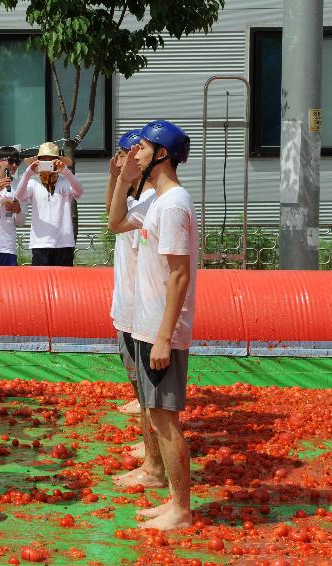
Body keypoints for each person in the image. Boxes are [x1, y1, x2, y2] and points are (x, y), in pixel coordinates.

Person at [110, 120, 196, 530]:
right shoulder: (155, 203)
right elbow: (114, 223)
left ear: (161, 154)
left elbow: (180, 275)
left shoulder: (175, 203)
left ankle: (181, 507)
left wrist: (164, 337)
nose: (135, 153)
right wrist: (123, 178)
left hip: (160, 331)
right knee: (156, 413)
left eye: (142, 148)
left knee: (165, 417)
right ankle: (173, 501)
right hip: (145, 325)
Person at [106, 129, 166, 491]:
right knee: (140, 390)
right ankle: (151, 453)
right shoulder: (134, 197)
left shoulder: (154, 201)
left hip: (144, 310)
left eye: (134, 153)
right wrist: (118, 178)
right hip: (127, 306)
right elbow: (111, 220)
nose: (129, 159)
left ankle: (154, 462)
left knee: (152, 396)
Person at [13, 142, 84, 266]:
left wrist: (66, 171)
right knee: (40, 283)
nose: (47, 163)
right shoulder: (32, 183)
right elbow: (19, 196)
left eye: (51, 160)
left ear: (57, 161)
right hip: (40, 242)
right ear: (38, 162)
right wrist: (28, 172)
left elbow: (79, 192)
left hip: (64, 242)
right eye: (43, 160)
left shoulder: (66, 181)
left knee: (63, 283)